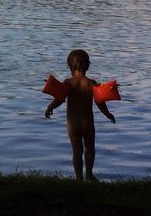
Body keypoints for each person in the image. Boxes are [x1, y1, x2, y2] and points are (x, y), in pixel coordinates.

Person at [44, 49, 115, 182]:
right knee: (89, 148)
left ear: (70, 66)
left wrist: (49, 107)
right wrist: (108, 114)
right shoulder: (91, 83)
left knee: (77, 151)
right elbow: (100, 102)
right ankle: (89, 174)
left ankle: (79, 178)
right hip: (87, 121)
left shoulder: (68, 83)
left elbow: (59, 99)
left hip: (73, 123)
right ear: (87, 65)